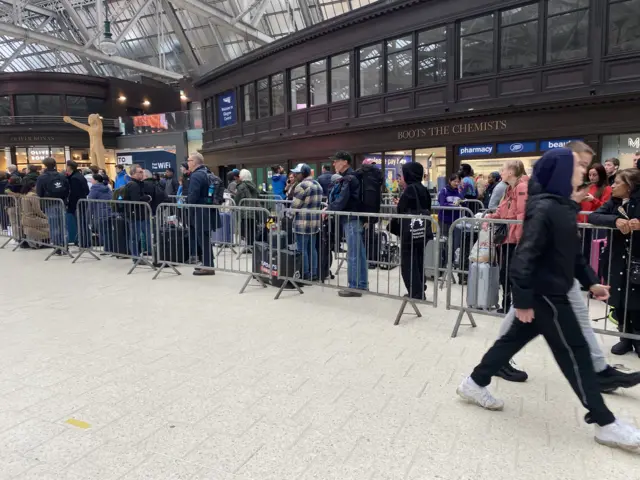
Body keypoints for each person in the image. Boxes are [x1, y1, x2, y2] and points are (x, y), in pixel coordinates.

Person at [456, 148, 640, 452]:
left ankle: (474, 383)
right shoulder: (545, 208)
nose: (582, 172)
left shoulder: (560, 206)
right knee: (578, 356)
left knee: (509, 343)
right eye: (576, 168)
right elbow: (524, 257)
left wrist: (592, 282)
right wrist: (524, 300)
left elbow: (572, 254)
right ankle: (605, 423)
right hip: (547, 295)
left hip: (549, 291)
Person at [589, 168, 640, 356]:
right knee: (619, 297)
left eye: (617, 183)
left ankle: (637, 337)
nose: (613, 186)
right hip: (617, 257)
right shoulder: (615, 202)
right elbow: (594, 216)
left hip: (636, 258)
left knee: (636, 297)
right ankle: (625, 338)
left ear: (629, 186)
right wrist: (615, 220)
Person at [485, 160, 528, 313]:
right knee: (505, 272)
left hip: (515, 239)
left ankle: (514, 304)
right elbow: (502, 211)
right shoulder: (508, 189)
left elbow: (522, 214)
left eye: (503, 169)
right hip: (507, 237)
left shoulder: (522, 187)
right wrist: (489, 217)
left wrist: (518, 237)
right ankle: (507, 303)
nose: (501, 172)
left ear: (511, 171)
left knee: (512, 272)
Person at [326, 151, 368, 297]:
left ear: (344, 162)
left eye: (336, 161)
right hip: (355, 218)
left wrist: (329, 209)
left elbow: (343, 199)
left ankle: (354, 286)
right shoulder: (352, 177)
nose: (334, 164)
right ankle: (361, 284)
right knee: (359, 253)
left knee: (354, 254)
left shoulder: (349, 178)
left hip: (351, 219)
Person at [397, 162, 432, 300]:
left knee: (408, 261)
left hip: (410, 231)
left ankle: (415, 292)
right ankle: (419, 289)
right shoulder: (423, 188)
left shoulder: (410, 189)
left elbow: (402, 209)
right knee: (418, 260)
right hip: (421, 230)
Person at [187, 153, 223, 276]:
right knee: (205, 238)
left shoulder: (196, 175)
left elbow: (193, 195)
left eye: (189, 160)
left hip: (200, 212)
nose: (187, 163)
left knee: (203, 239)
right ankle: (208, 263)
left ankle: (208, 266)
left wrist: (187, 203)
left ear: (195, 162)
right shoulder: (207, 172)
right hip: (208, 210)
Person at [290, 163, 324, 281]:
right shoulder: (318, 185)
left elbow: (295, 206)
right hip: (314, 222)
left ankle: (305, 273)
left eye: (297, 173)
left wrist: (288, 215)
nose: (295, 175)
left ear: (303, 173)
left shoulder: (302, 185)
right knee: (312, 248)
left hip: (302, 223)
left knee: (302, 249)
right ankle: (314, 273)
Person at [36, 157, 69, 253]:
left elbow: (39, 192)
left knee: (54, 226)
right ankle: (65, 245)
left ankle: (57, 247)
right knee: (63, 225)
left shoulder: (42, 177)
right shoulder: (62, 175)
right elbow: (67, 189)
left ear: (45, 165)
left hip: (50, 203)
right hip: (61, 202)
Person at [123, 164, 152, 260]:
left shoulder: (139, 184)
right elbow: (136, 199)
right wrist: (147, 198)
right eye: (140, 172)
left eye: (142, 171)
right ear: (133, 174)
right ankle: (135, 257)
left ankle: (145, 254)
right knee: (135, 237)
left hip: (142, 214)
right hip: (135, 215)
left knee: (147, 235)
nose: (142, 173)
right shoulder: (133, 185)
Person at [66, 161, 90, 246]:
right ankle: (84, 241)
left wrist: (70, 204)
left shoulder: (74, 178)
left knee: (81, 224)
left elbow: (74, 194)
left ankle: (84, 242)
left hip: (77, 204)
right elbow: (87, 190)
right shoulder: (80, 176)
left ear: (69, 167)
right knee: (83, 223)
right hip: (82, 202)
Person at [87, 174, 114, 252]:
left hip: (99, 213)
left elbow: (90, 203)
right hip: (109, 211)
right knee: (109, 231)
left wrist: (88, 216)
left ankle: (107, 248)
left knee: (103, 231)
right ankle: (111, 248)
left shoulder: (94, 189)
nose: (91, 181)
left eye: (92, 179)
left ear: (95, 180)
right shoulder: (107, 188)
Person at [235, 169, 260, 249]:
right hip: (253, 210)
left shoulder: (241, 186)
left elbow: (238, 199)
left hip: (245, 211)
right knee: (252, 229)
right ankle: (252, 245)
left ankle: (249, 246)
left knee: (246, 229)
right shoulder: (253, 185)